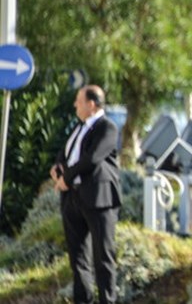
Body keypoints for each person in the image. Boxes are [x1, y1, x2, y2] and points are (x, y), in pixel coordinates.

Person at [50, 85, 121, 304]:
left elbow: (92, 158)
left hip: (99, 199)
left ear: (91, 104)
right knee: (77, 258)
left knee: (103, 257)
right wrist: (57, 167)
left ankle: (107, 300)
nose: (75, 105)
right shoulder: (79, 128)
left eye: (78, 101)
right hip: (73, 198)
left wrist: (66, 178)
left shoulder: (107, 127)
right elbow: (69, 154)